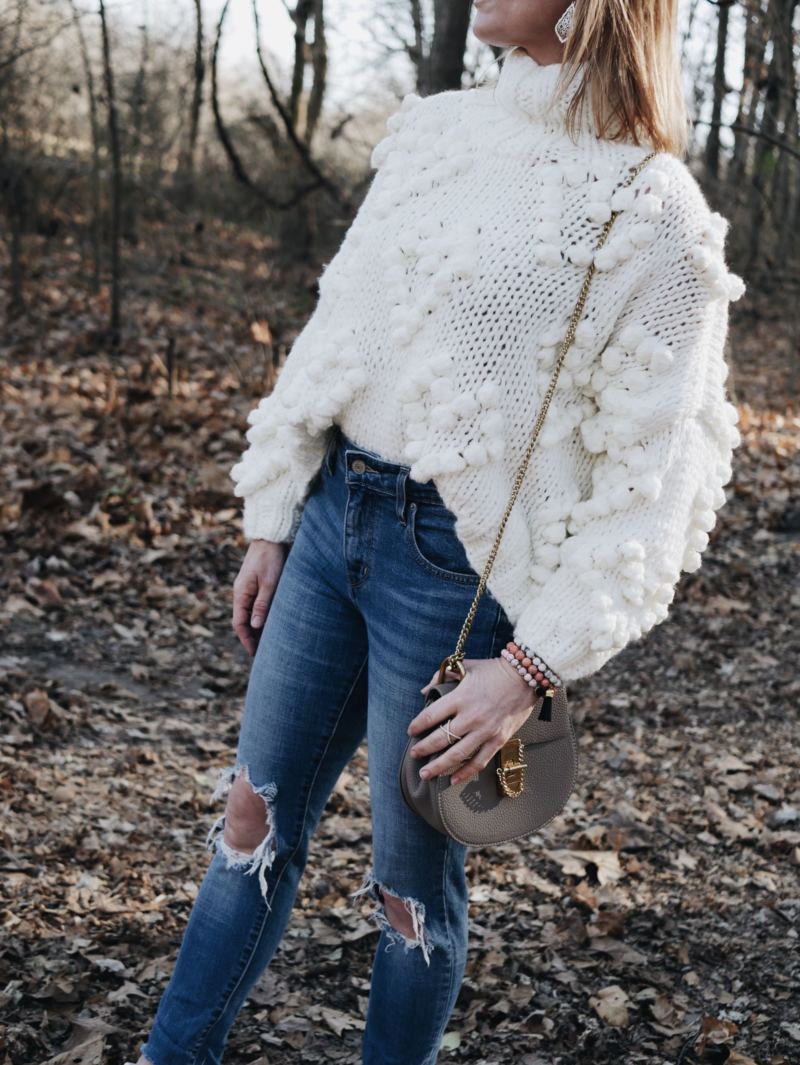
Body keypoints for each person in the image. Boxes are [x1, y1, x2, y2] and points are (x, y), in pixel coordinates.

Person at [134, 2, 745, 1063]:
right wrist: (272, 515)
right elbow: (343, 326)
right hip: (333, 523)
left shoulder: (651, 212)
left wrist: (530, 666)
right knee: (248, 822)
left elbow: (657, 485)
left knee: (406, 892)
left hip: (455, 578)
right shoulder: (435, 132)